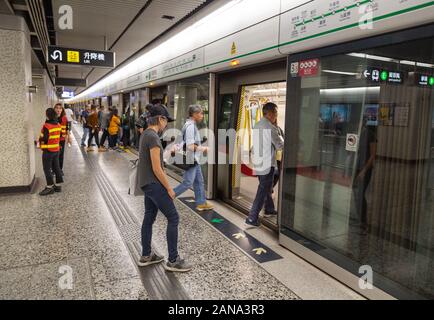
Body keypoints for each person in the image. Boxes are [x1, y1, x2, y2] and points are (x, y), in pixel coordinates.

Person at [137, 104, 191, 272]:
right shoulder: (152, 137)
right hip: (154, 184)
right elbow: (156, 168)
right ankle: (173, 260)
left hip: (146, 183)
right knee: (173, 218)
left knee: (149, 216)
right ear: (160, 119)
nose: (166, 124)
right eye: (166, 120)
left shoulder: (145, 134)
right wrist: (169, 188)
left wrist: (167, 153)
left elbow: (155, 161)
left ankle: (146, 256)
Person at [245, 103, 284, 228]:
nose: (276, 115)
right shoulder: (270, 127)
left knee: (266, 187)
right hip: (267, 164)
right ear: (271, 113)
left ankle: (269, 209)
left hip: (258, 162)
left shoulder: (257, 125)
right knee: (262, 190)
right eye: (276, 113)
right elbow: (280, 146)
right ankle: (252, 218)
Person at [173, 105, 214, 212]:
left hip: (194, 159)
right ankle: (167, 196)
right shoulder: (191, 126)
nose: (202, 115)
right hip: (192, 159)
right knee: (188, 182)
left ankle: (201, 203)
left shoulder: (188, 124)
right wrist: (204, 148)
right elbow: (191, 146)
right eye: (200, 113)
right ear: (195, 114)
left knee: (199, 181)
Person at [38, 108, 64, 196]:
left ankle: (49, 187)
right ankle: (58, 186)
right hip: (56, 150)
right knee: (56, 167)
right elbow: (60, 136)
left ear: (47, 115)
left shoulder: (46, 126)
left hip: (48, 150)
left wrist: (39, 141)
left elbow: (44, 138)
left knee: (47, 169)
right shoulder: (58, 124)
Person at [54, 103, 71, 172]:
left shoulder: (64, 118)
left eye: (60, 108)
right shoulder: (51, 118)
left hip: (61, 139)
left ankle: (60, 170)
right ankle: (54, 169)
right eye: (57, 108)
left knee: (60, 155)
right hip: (53, 140)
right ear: (54, 109)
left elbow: (67, 128)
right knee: (54, 155)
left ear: (62, 110)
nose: (58, 110)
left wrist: (69, 137)